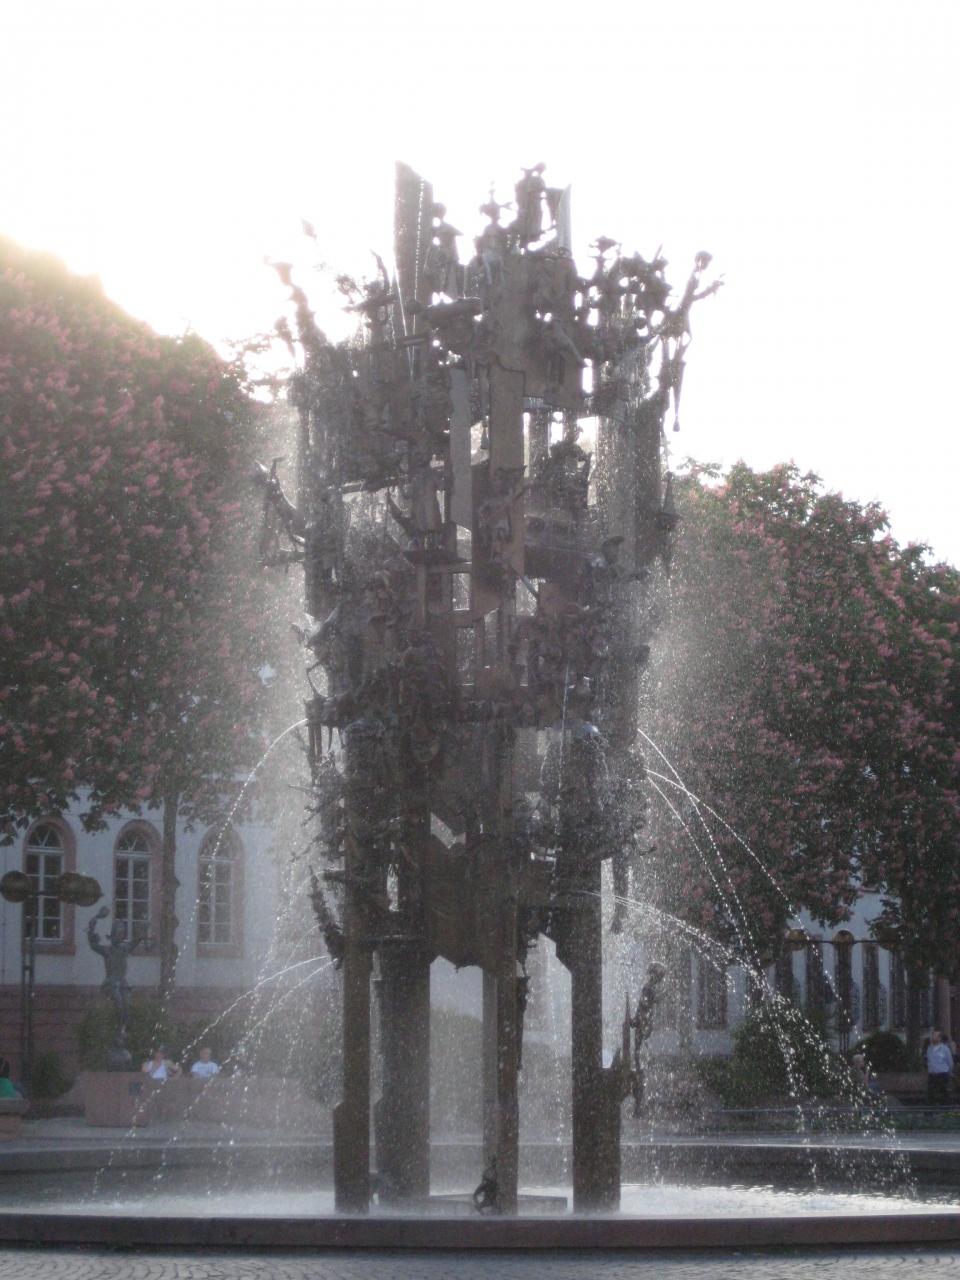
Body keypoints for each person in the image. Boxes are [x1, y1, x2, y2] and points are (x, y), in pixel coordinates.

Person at [926, 1028, 953, 1104]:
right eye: (933, 1035)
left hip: (942, 1074)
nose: (933, 1037)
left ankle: (946, 1107)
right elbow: (928, 1060)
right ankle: (930, 1108)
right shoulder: (929, 1048)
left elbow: (950, 1062)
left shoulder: (945, 1049)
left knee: (944, 1092)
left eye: (935, 1035)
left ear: (939, 1038)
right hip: (932, 1074)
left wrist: (949, 1072)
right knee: (930, 1093)